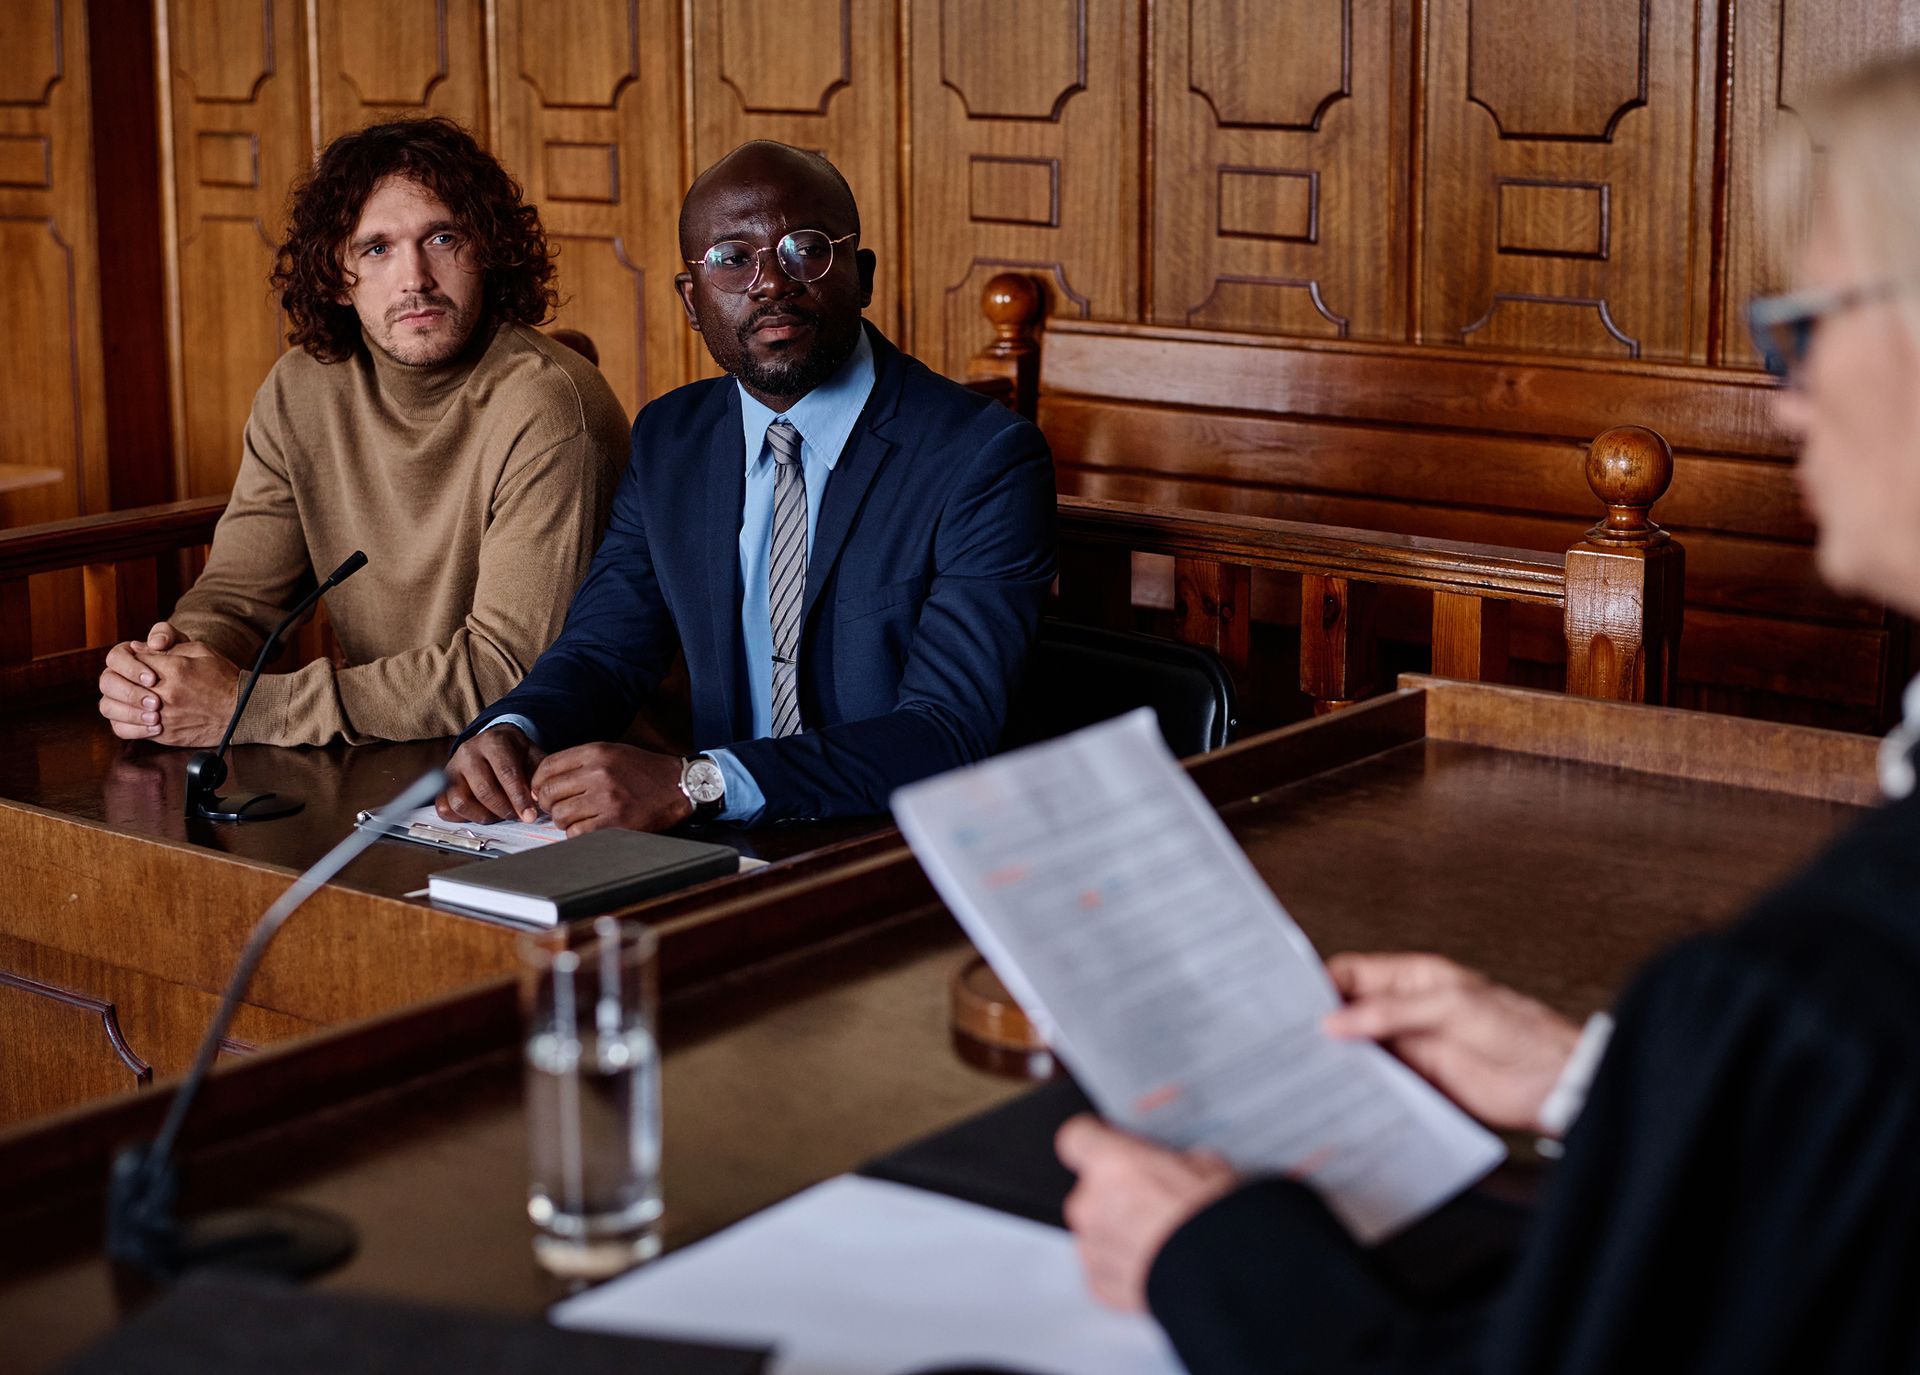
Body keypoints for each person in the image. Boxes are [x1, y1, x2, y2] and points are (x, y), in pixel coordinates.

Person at [1055, 52, 1920, 1375]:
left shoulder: (1823, 987)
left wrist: (1210, 1256)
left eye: (1802, 330)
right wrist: (1597, 1082)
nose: (1787, 397)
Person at [437, 141, 1054, 834]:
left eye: (805, 250)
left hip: (901, 849)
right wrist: (515, 730)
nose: (771, 283)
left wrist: (698, 781)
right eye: (733, 259)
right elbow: (603, 652)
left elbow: (948, 733)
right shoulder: (673, 440)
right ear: (692, 301)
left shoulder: (983, 458)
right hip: (720, 848)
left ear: (864, 274)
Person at [95, 117, 628, 747]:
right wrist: (167, 673)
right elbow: (239, 596)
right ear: (337, 277)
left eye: (443, 238)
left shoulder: (552, 404)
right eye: (376, 248)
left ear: (486, 251)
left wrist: (247, 708)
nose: (414, 279)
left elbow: (508, 670)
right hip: (388, 756)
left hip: (555, 767)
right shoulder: (301, 389)